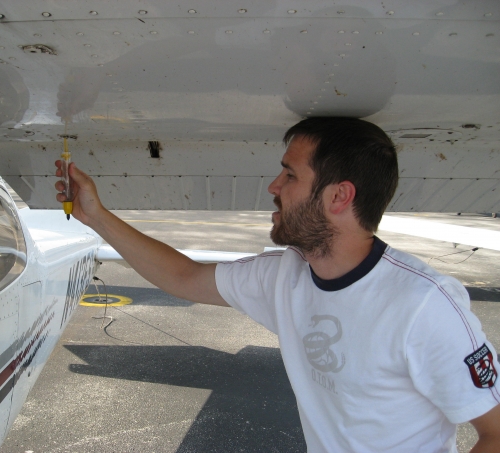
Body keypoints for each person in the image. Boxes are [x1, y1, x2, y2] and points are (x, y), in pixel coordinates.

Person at [55, 117, 500, 452]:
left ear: (339, 196)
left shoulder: (424, 305)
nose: (273, 186)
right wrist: (96, 215)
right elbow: (184, 277)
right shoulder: (285, 275)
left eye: (290, 175)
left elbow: (495, 433)